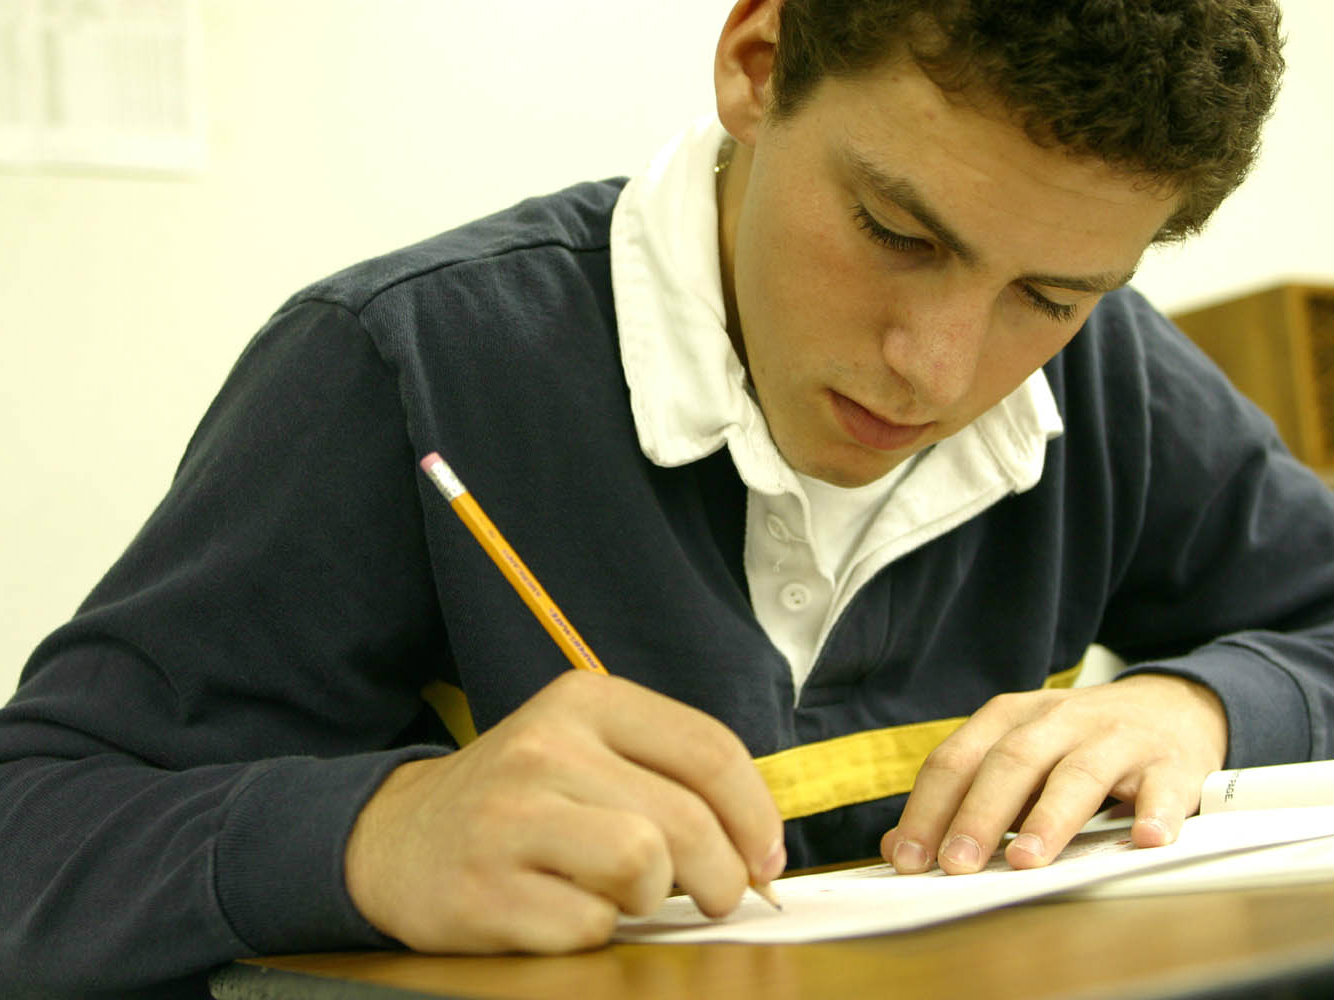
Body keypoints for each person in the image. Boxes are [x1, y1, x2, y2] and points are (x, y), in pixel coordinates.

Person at [2, 0, 1331, 995]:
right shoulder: (405, 363)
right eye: (894, 232)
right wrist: (371, 835)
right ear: (756, 64)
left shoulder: (1112, 376)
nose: (934, 368)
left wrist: (1201, 705)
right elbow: (33, 824)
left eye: (1046, 297)